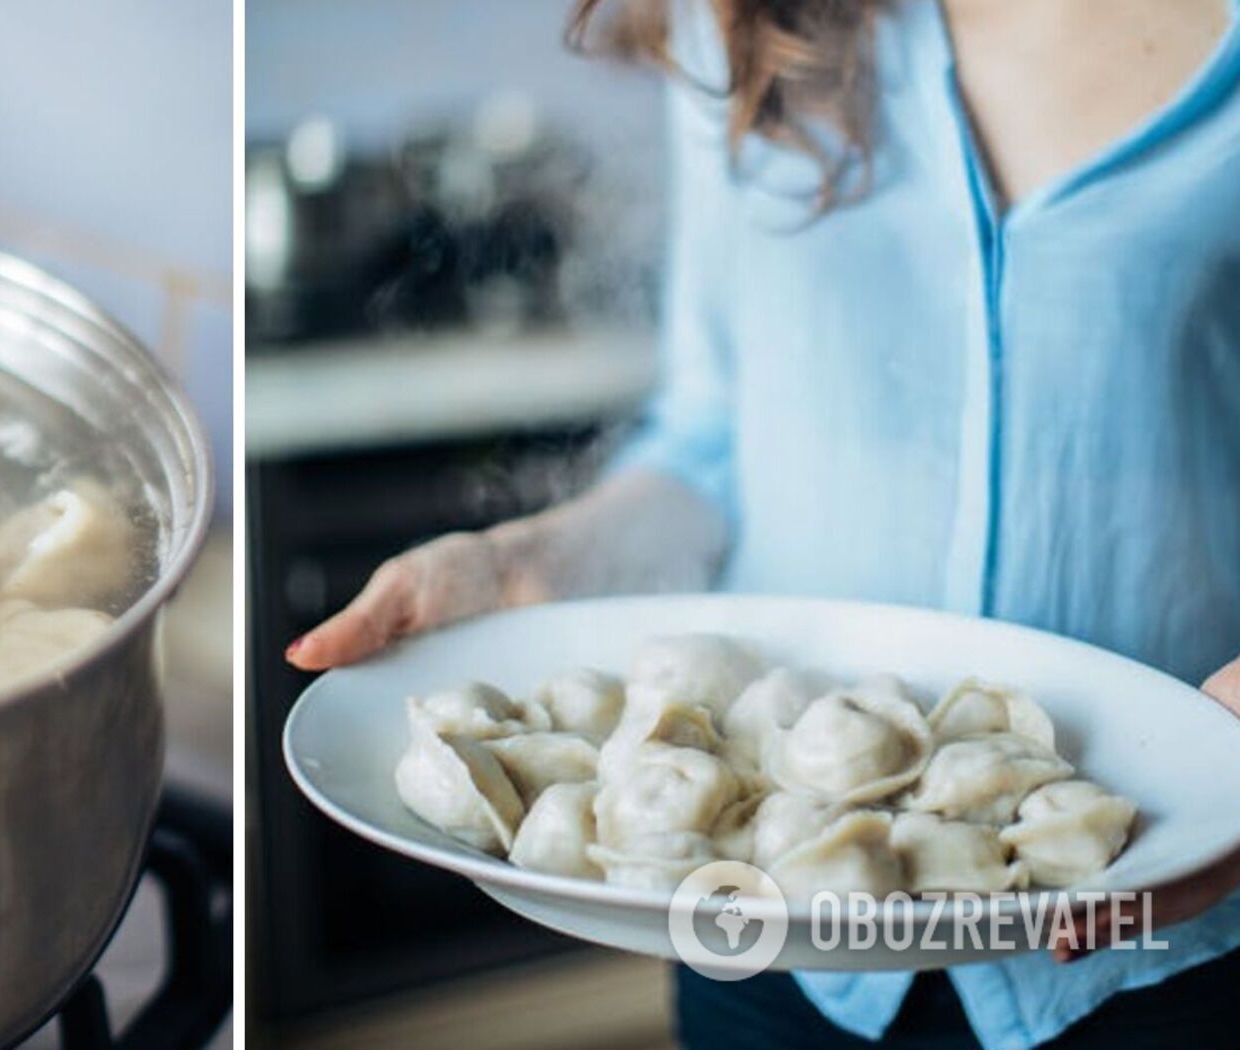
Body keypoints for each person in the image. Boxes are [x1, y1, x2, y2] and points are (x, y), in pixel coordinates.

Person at [283, 1, 1240, 1046]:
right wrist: (533, 564)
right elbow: (713, 438)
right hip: (765, 930)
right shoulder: (748, 21)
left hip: (1156, 931)